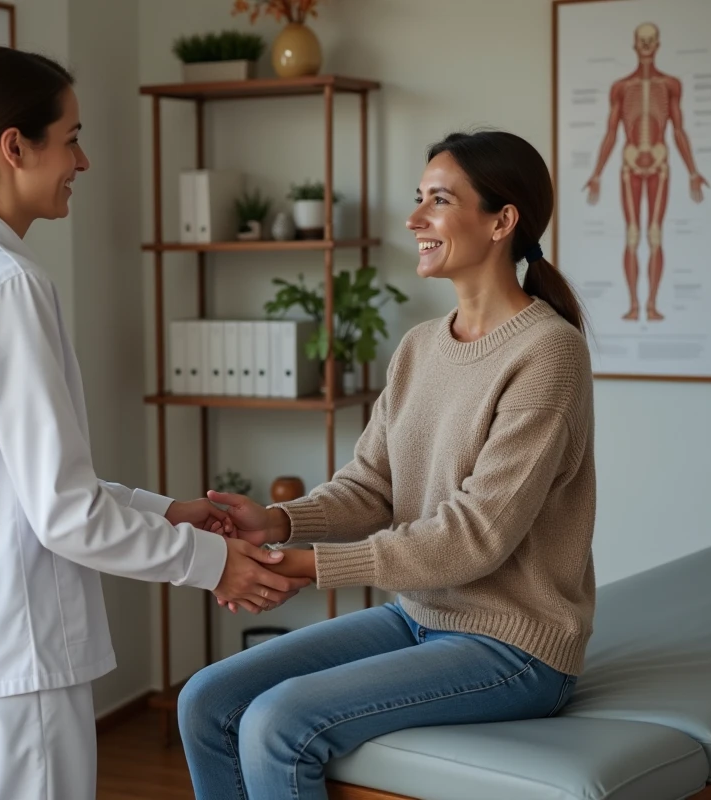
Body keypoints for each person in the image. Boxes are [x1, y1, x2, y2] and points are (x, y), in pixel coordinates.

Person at [0, 46, 309, 800]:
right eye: (71, 137)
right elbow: (64, 512)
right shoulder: (4, 285)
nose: (84, 160)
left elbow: (21, 482)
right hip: (8, 660)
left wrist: (170, 514)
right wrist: (211, 562)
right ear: (13, 146)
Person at [178, 130, 597, 800]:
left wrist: (310, 567)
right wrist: (276, 523)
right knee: (206, 700)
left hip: (514, 649)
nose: (414, 219)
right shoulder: (420, 347)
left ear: (501, 221)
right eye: (418, 199)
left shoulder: (548, 354)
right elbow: (371, 487)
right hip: (420, 618)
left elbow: (474, 537)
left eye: (438, 200)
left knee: (277, 724)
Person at [582, 22, 707, 322]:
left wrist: (693, 171)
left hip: (660, 163)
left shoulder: (671, 85)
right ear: (636, 46)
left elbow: (679, 131)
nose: (647, 46)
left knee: (654, 235)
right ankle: (634, 306)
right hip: (630, 163)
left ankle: (650, 305)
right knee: (633, 235)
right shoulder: (622, 87)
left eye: (651, 41)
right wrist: (597, 173)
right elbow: (611, 133)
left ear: (657, 44)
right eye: (643, 41)